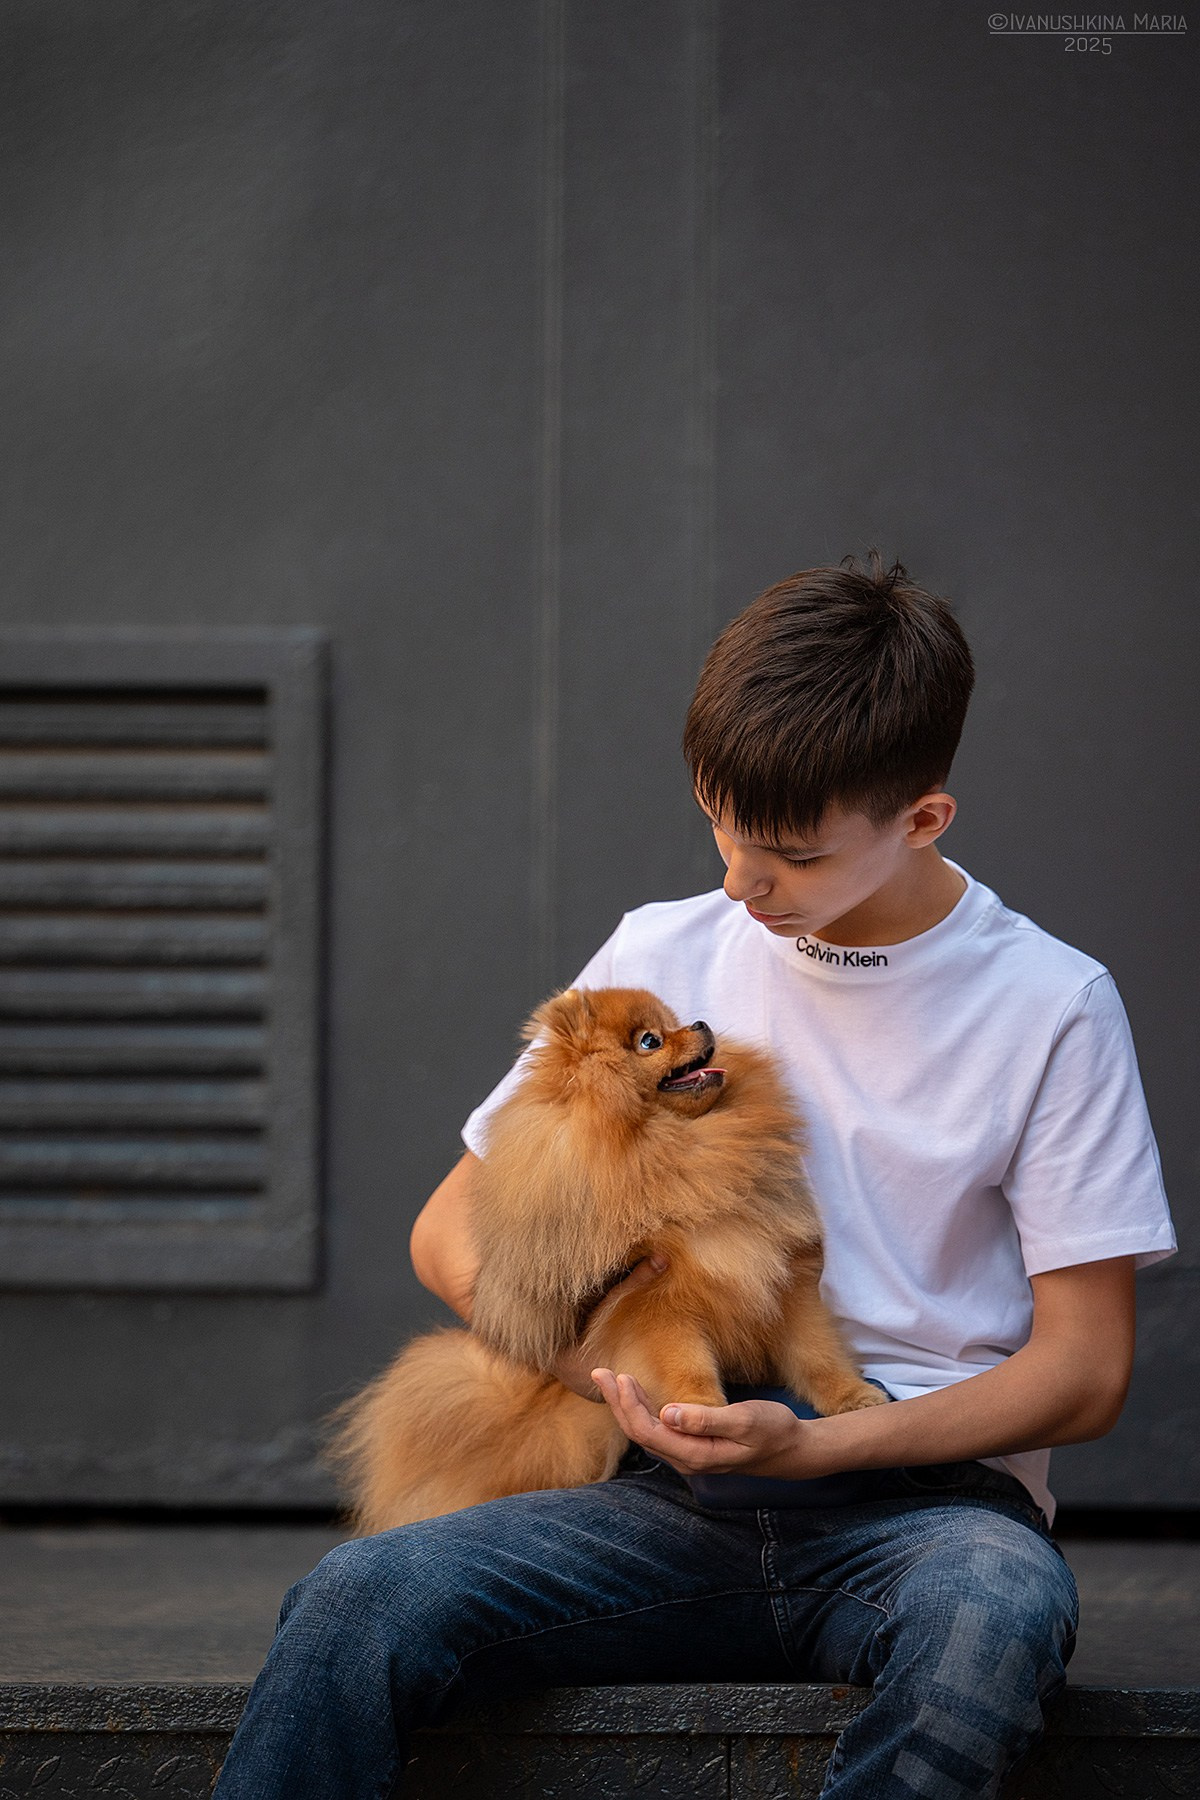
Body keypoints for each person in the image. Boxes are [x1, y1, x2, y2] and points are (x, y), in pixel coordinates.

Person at [214, 549, 1175, 1799]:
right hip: (655, 1487)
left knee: (987, 1622)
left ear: (925, 817)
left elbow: (1086, 1372)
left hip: (925, 1504)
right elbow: (449, 1235)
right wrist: (631, 1392)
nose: (739, 879)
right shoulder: (663, 951)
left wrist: (822, 1450)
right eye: (717, 821)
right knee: (355, 1602)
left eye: (789, 853)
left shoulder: (1052, 1005)